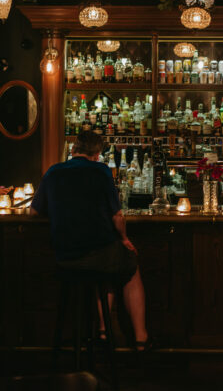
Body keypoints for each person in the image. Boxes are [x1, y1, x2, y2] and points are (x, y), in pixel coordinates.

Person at [30, 131, 149, 350]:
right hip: (98, 254)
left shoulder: (53, 172)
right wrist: (124, 239)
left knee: (106, 266)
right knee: (129, 264)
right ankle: (141, 338)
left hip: (64, 257)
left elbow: (33, 212)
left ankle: (104, 332)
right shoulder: (101, 171)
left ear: (73, 150)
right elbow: (117, 216)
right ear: (97, 153)